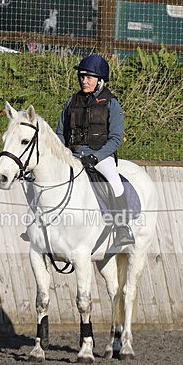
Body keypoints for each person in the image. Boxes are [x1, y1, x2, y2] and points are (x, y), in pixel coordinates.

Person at [56, 54, 134, 249]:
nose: (84, 80)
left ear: (100, 80)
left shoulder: (111, 104)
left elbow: (116, 138)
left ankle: (122, 228)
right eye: (82, 77)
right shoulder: (71, 102)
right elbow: (60, 133)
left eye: (89, 77)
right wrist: (61, 155)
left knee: (115, 183)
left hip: (100, 156)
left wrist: (96, 156)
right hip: (73, 155)